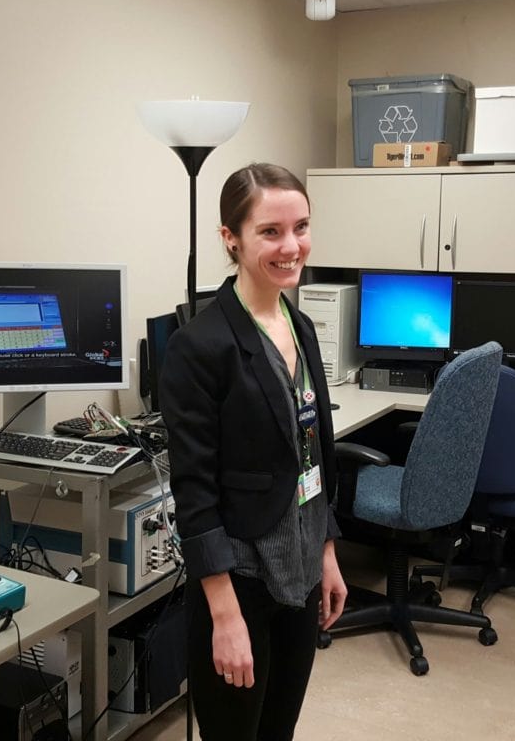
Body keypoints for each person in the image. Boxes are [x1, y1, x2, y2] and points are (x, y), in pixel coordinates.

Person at [159, 162, 347, 741]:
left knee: (277, 731)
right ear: (230, 239)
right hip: (240, 578)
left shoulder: (301, 326)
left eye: (302, 227)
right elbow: (193, 491)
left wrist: (327, 548)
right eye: (271, 231)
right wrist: (224, 615)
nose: (292, 247)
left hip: (301, 568)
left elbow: (311, 454)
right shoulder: (200, 346)